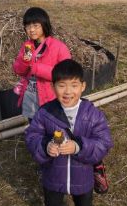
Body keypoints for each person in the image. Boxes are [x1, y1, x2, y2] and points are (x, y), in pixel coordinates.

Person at [25, 59, 113, 206]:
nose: (67, 92)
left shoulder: (92, 114)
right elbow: (32, 136)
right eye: (61, 85)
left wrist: (78, 147)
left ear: (83, 86)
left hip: (83, 178)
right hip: (53, 177)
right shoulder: (45, 112)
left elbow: (104, 143)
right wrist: (46, 146)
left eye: (74, 85)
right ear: (53, 87)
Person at [13, 7, 71, 122]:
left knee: (52, 127)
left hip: (50, 95)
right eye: (28, 26)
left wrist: (36, 68)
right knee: (34, 124)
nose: (31, 30)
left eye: (35, 26)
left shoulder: (58, 47)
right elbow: (18, 71)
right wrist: (24, 62)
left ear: (44, 25)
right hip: (30, 94)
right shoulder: (27, 46)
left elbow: (66, 74)